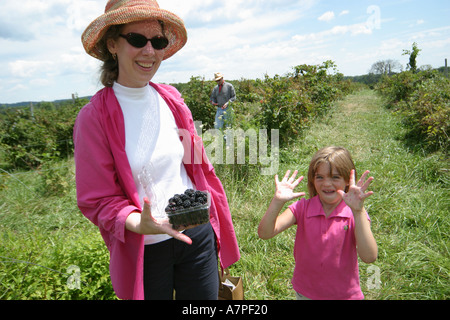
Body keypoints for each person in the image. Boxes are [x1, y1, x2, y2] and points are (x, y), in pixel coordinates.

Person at [74, 0, 240, 300]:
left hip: (196, 234)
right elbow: (96, 199)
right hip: (147, 246)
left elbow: (194, 161)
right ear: (113, 44)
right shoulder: (94, 117)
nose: (149, 51)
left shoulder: (171, 98)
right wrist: (139, 222)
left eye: (158, 41)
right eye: (137, 40)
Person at [258, 146, 378, 300]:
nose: (327, 183)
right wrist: (277, 201)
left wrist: (358, 212)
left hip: (344, 296)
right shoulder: (302, 208)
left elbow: (369, 256)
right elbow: (265, 233)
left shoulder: (353, 213)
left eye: (335, 177)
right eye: (320, 177)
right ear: (312, 180)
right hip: (305, 293)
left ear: (347, 180)